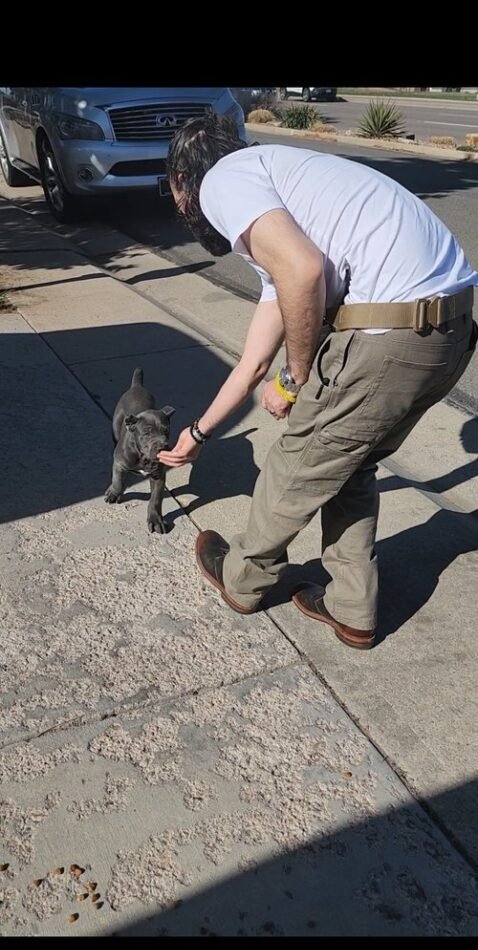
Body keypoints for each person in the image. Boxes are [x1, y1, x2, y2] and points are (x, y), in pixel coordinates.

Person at [159, 113, 478, 650]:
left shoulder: (223, 177)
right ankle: (353, 606)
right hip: (449, 332)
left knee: (296, 460)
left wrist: (298, 373)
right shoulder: (287, 193)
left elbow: (302, 274)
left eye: (176, 195)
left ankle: (242, 578)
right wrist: (198, 433)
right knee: (350, 459)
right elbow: (253, 362)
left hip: (391, 334)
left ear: (182, 182)